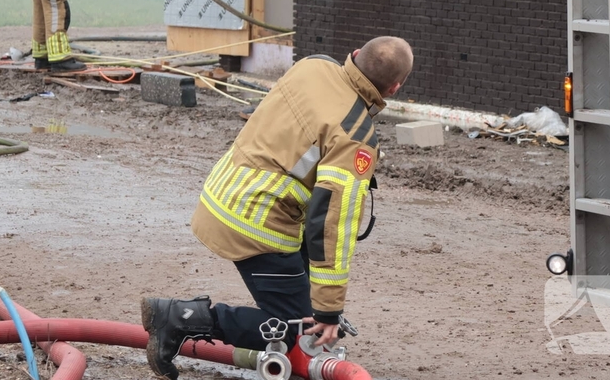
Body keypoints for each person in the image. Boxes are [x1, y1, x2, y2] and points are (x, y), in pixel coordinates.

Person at [141, 36, 414, 380]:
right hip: (256, 223)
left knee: (309, 310)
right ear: (394, 88)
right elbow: (331, 223)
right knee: (302, 331)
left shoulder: (314, 65)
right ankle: (180, 318)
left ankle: (292, 309)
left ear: (355, 54)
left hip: (223, 192)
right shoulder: (355, 135)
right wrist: (328, 311)